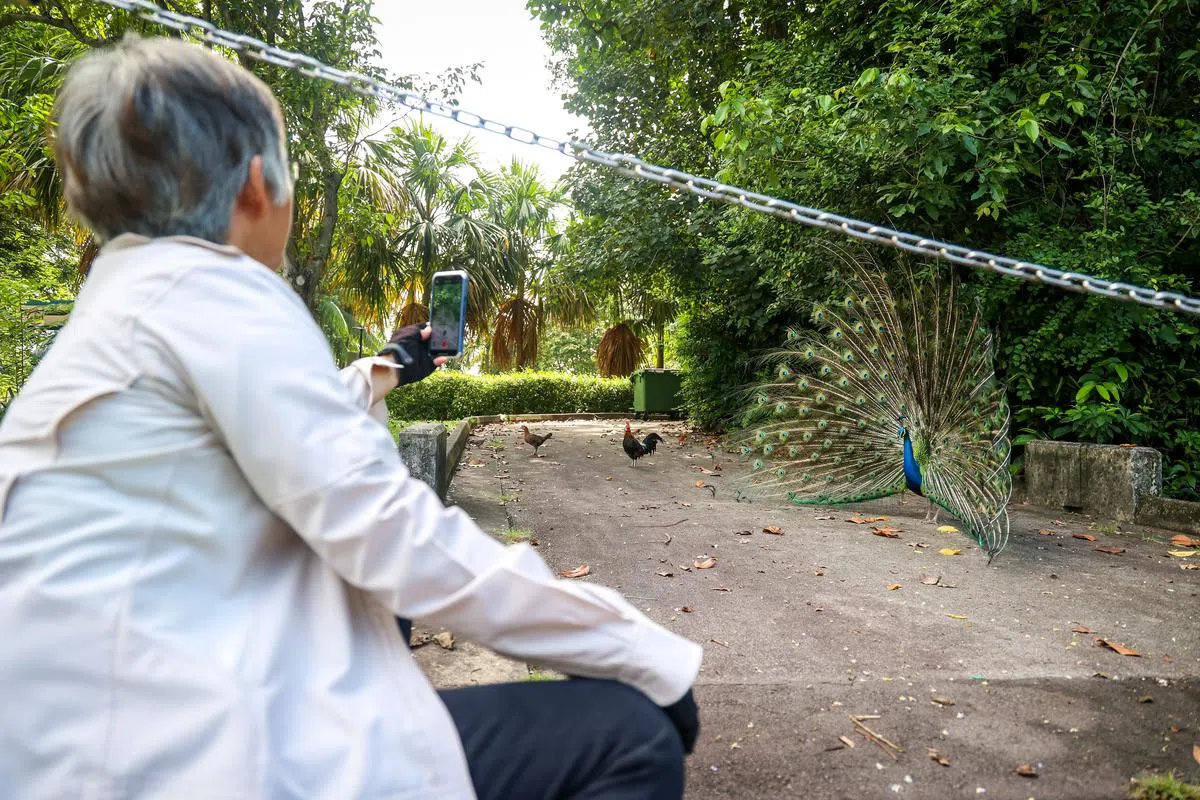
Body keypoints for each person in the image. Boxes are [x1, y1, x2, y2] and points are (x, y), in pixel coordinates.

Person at [0, 35, 702, 799]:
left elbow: (276, 428)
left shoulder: (118, 313)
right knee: (633, 737)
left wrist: (389, 365)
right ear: (257, 185)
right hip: (189, 761)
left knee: (378, 619)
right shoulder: (217, 290)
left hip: (71, 749)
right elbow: (394, 532)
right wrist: (640, 651)